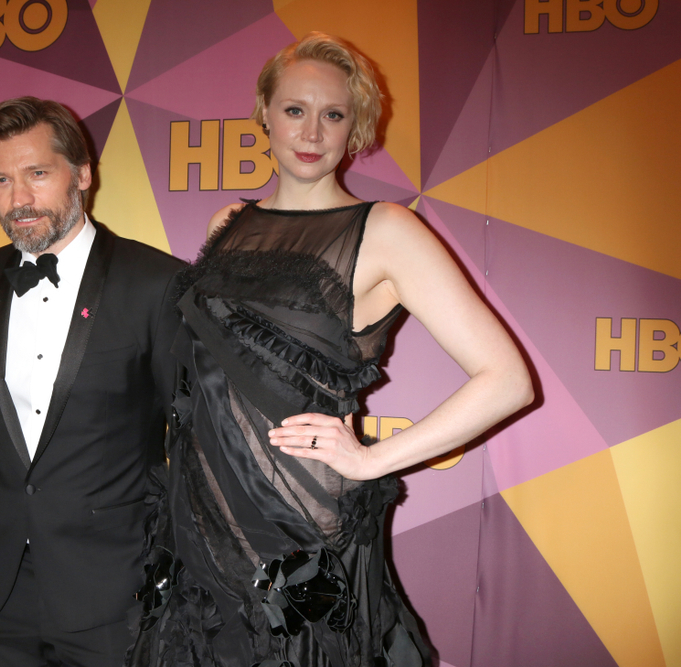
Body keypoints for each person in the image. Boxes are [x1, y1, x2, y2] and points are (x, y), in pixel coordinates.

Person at [128, 33, 534, 667]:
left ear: (355, 128)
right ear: (263, 111)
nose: (312, 130)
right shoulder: (227, 224)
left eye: (334, 114)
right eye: (295, 109)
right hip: (199, 521)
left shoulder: (388, 230)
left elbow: (507, 379)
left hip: (296, 527)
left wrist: (375, 459)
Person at [0, 97, 184, 666]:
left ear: (82, 173)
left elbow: (195, 433)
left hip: (115, 587)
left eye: (38, 174)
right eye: (1, 180)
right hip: (2, 585)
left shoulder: (157, 282)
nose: (19, 199)